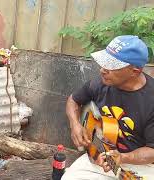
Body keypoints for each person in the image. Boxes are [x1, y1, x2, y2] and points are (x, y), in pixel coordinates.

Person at [62, 35, 154, 179]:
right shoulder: (101, 83)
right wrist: (75, 124)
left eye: (113, 65)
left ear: (135, 71)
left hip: (141, 164)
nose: (103, 70)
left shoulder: (151, 100)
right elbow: (73, 100)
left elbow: (152, 151)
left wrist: (123, 158)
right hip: (100, 156)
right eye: (105, 62)